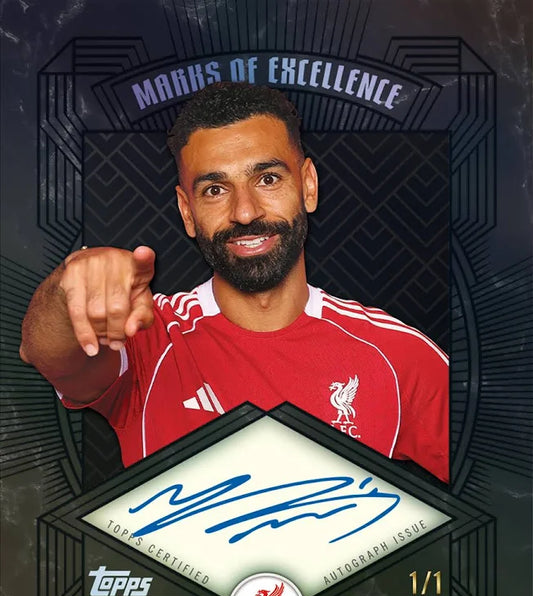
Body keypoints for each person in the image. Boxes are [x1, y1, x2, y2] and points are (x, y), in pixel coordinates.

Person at [20, 82, 449, 482]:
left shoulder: (400, 356)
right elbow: (47, 354)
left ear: (308, 186)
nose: (245, 212)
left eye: (268, 179)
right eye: (215, 189)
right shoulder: (150, 338)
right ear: (187, 212)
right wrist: (69, 285)